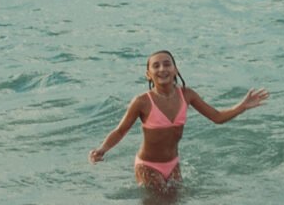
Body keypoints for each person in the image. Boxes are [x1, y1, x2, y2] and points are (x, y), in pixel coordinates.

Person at [89, 49, 268, 186]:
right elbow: (120, 131)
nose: (162, 69)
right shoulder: (142, 101)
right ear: (148, 74)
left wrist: (242, 107)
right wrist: (102, 149)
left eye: (167, 64)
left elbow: (217, 117)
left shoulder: (187, 95)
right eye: (156, 66)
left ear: (175, 69)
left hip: (173, 164)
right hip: (147, 165)